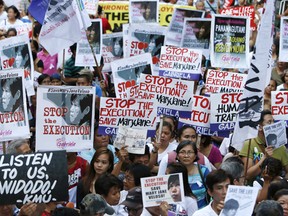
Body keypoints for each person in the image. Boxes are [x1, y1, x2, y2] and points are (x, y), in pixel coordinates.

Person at [239, 110, 288, 182]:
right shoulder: (249, 144)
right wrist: (265, 157)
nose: (273, 124)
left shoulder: (281, 147)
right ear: (260, 127)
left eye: (273, 121)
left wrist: (282, 181)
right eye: (269, 122)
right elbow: (247, 175)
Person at [176, 140, 210, 209]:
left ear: (195, 155)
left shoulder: (203, 171)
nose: (186, 156)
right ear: (177, 156)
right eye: (182, 152)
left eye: (190, 152)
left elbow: (212, 191)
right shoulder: (173, 172)